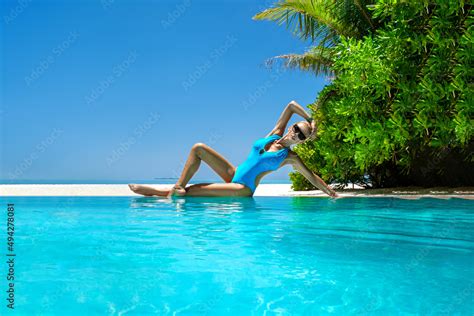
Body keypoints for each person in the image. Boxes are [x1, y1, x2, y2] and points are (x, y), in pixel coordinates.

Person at [129, 100, 338, 198]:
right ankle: (176, 187)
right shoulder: (275, 133)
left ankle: (160, 193)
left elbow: (311, 176)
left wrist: (330, 193)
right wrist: (310, 120)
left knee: (194, 191)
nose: (296, 134)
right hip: (234, 174)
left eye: (301, 136)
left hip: (243, 188)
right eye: (296, 129)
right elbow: (291, 105)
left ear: (302, 142)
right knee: (198, 148)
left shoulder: (289, 157)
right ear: (292, 126)